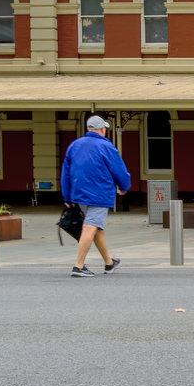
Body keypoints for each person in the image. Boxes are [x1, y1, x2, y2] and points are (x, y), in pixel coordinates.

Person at [61, 115, 131, 277]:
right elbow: (119, 169)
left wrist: (67, 197)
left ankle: (109, 263)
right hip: (99, 194)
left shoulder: (74, 145)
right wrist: (124, 186)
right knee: (90, 226)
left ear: (88, 128)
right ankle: (78, 266)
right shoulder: (106, 146)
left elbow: (66, 173)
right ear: (102, 129)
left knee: (96, 228)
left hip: (79, 194)